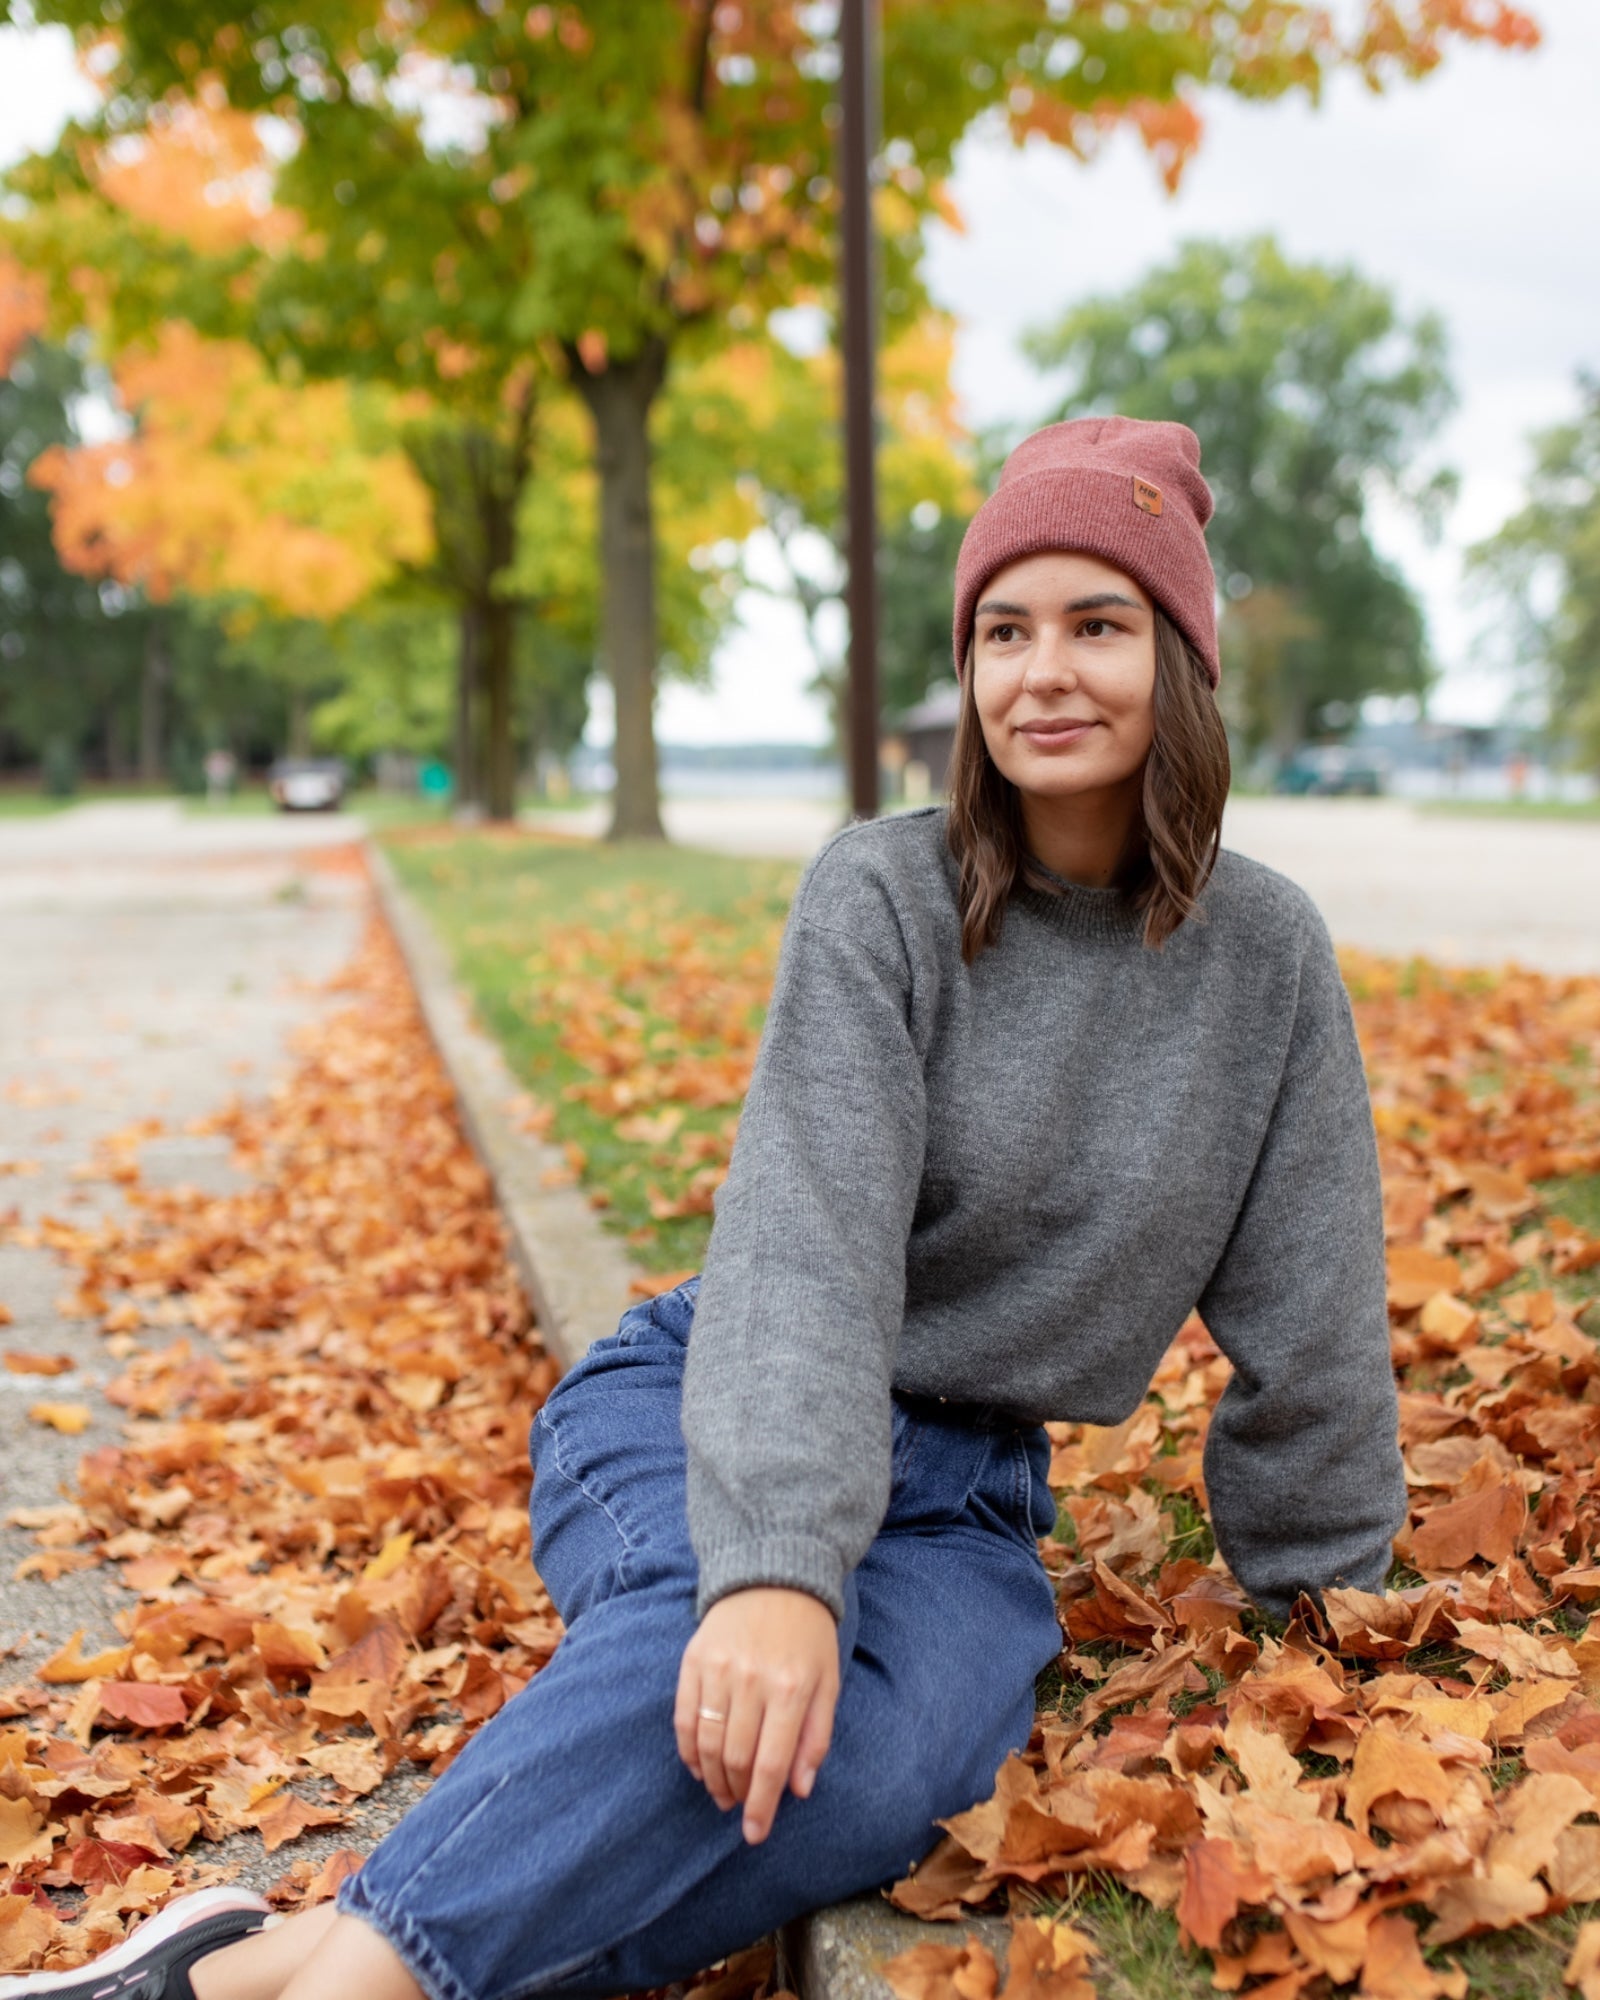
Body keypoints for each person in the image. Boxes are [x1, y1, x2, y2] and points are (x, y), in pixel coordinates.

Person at [2, 417, 1407, 2000]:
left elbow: (1315, 1306)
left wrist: (1333, 1601)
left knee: (883, 1776)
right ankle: (351, 1989)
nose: (1044, 673)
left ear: (1183, 657)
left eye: (1100, 625)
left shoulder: (1266, 959)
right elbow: (804, 1258)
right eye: (1005, 631)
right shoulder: (879, 899)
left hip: (967, 1503)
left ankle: (256, 1968)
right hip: (707, 1397)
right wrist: (778, 1570)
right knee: (712, 1657)